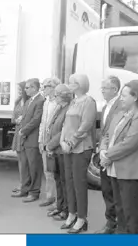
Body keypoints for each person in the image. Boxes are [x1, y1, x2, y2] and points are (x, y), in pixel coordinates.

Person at [99, 81, 138, 234]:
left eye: (124, 95)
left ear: (135, 97)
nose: (120, 98)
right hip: (115, 170)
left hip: (131, 173)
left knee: (131, 215)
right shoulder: (120, 114)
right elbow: (107, 135)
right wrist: (103, 150)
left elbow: (130, 143)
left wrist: (108, 155)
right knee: (120, 212)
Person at [60, 74, 97, 234]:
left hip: (81, 148)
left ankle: (82, 218)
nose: (69, 84)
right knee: (68, 181)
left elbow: (86, 126)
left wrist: (70, 142)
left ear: (80, 84)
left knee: (79, 184)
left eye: (72, 82)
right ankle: (71, 214)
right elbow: (65, 125)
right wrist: (62, 141)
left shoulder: (89, 102)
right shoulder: (73, 101)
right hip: (67, 147)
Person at [95, 75, 125, 234]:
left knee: (116, 192)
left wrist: (109, 154)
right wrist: (100, 149)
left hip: (114, 155)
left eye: (105, 88)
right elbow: (104, 131)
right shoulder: (106, 107)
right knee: (106, 190)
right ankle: (110, 223)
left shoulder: (121, 105)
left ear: (114, 89)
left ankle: (118, 225)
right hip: (104, 152)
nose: (102, 91)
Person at [12, 78, 45, 202]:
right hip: (26, 138)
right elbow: (25, 117)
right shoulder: (29, 101)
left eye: (27, 88)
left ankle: (34, 192)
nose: (25, 90)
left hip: (32, 138)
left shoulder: (40, 100)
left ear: (34, 88)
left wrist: (24, 130)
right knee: (26, 165)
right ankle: (25, 189)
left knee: (34, 166)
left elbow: (36, 120)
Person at [43, 84, 72, 221]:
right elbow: (51, 126)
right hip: (55, 150)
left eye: (57, 95)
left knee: (64, 181)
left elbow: (63, 131)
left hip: (60, 150)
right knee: (58, 180)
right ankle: (59, 206)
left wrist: (50, 145)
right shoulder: (59, 108)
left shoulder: (68, 109)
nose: (55, 98)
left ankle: (66, 209)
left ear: (63, 96)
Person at [38, 77, 61, 208]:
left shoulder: (58, 103)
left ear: (53, 88)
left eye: (46, 86)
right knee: (47, 170)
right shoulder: (46, 102)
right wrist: (40, 140)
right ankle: (49, 196)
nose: (43, 89)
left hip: (54, 141)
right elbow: (43, 123)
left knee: (55, 171)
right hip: (45, 140)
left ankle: (58, 199)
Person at [11, 81, 30, 194]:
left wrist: (22, 119)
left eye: (20, 89)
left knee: (25, 160)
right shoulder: (18, 101)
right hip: (18, 131)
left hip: (25, 132)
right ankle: (22, 182)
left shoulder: (29, 102)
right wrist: (16, 120)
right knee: (20, 159)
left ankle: (25, 184)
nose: (18, 91)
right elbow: (12, 118)